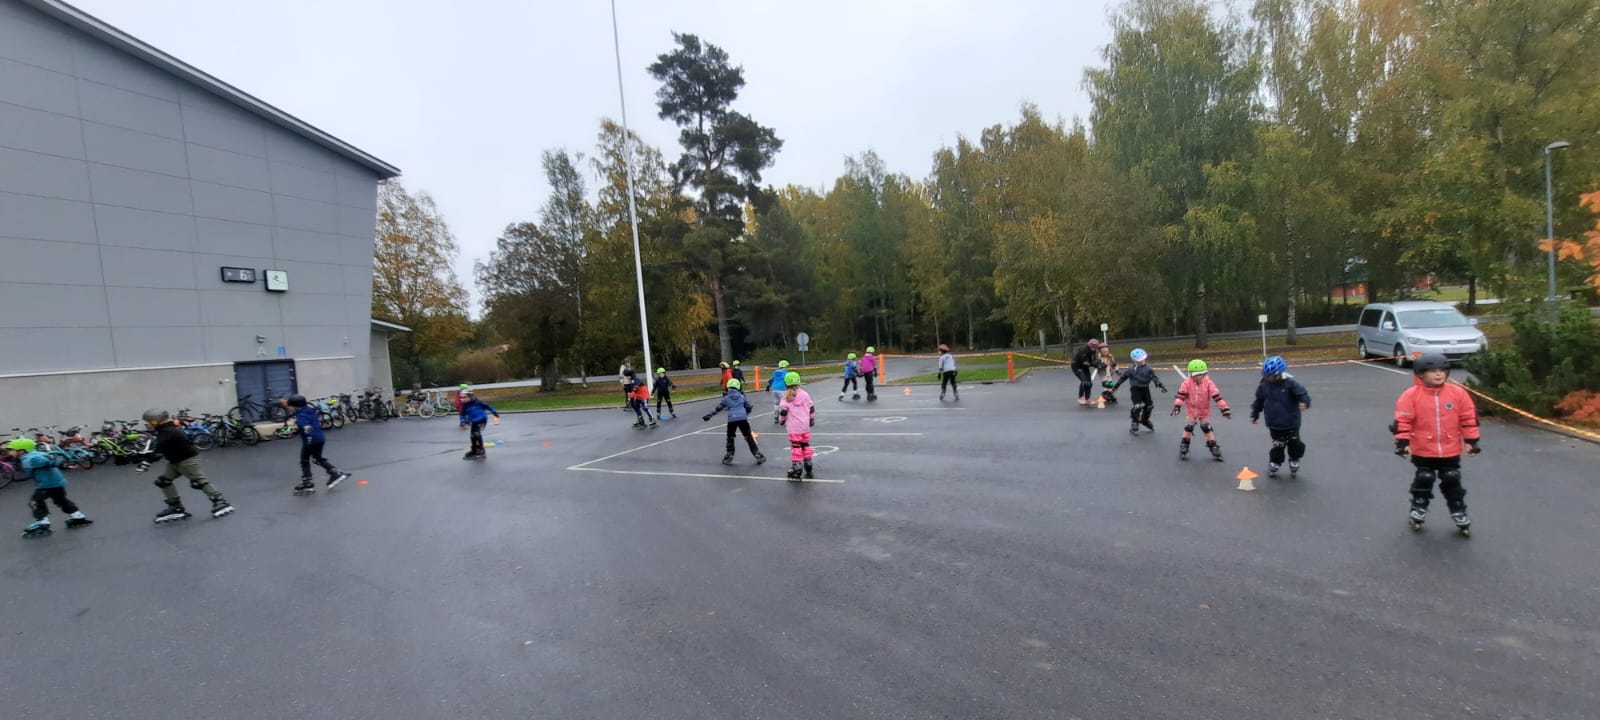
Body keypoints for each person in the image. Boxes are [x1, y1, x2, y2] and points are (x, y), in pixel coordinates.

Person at [1394, 353, 1480, 534]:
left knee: (1451, 477)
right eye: (1432, 371)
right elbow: (1403, 421)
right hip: (1423, 448)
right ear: (1421, 374)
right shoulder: (1411, 395)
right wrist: (1403, 443)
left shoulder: (1457, 393)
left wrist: (1471, 441)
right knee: (1425, 478)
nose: (1438, 374)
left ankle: (1458, 510)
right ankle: (1418, 507)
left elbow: (1468, 418)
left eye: (1442, 370)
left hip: (1450, 448)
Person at [138, 408, 233, 522]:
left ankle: (220, 501)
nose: (147, 425)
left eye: (149, 422)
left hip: (188, 460)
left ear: (156, 421)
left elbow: (158, 451)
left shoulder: (168, 432)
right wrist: (146, 461)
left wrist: (146, 464)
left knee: (198, 481)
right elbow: (158, 448)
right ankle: (176, 507)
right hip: (176, 461)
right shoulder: (165, 430)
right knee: (163, 481)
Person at [9, 438, 91, 538]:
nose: (9, 452)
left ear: (21, 451)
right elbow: (49, 459)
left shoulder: (31, 458)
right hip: (57, 481)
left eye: (11, 450)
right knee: (60, 499)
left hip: (47, 484)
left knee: (35, 501)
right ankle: (77, 516)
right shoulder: (36, 454)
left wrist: (62, 465)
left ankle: (42, 522)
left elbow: (48, 462)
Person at [1249, 355, 1311, 477]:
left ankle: (1294, 458)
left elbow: (1302, 394)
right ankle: (1275, 462)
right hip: (1274, 423)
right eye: (1266, 375)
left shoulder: (1290, 384)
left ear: (1279, 375)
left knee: (1294, 442)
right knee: (1278, 445)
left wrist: (1305, 402)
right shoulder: (1263, 385)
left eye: (1270, 376)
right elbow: (1259, 401)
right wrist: (1255, 414)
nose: (1267, 378)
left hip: (1292, 421)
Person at [286, 394, 351, 495]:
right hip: (320, 438)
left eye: (290, 406)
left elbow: (306, 425)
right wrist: (297, 430)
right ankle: (334, 472)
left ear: (296, 406)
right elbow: (312, 423)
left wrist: (305, 429)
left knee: (304, 460)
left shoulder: (301, 415)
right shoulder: (309, 410)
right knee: (317, 458)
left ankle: (307, 482)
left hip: (310, 440)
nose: (289, 408)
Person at [1171, 359, 1231, 461]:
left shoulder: (1208, 383)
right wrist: (1177, 407)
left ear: (1204, 374)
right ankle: (1184, 444)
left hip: (1204, 411)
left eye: (1200, 375)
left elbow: (1217, 396)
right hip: (1191, 410)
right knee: (1189, 427)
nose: (1198, 377)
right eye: (1195, 375)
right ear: (1191, 374)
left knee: (1206, 427)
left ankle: (1213, 446)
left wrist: (1224, 409)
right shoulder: (1187, 383)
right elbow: (1181, 396)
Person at [702, 378, 765, 465]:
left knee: (730, 437)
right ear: (738, 387)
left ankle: (729, 455)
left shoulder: (726, 398)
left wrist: (709, 415)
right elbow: (748, 407)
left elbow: (718, 408)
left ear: (728, 387)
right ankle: (757, 454)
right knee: (748, 437)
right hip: (743, 419)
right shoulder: (741, 396)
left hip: (732, 419)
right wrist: (746, 412)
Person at [1112, 348, 1167, 435]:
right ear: (1134, 361)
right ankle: (1135, 421)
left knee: (1149, 406)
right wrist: (1116, 387)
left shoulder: (1148, 369)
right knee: (1137, 406)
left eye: (1142, 360)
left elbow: (1154, 378)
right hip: (1135, 389)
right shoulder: (1131, 370)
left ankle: (1145, 420)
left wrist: (1160, 386)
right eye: (1139, 361)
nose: (1141, 362)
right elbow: (1123, 378)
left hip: (1145, 388)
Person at [778, 371, 816, 481]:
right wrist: (811, 419)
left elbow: (783, 412)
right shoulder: (805, 394)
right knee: (805, 445)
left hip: (794, 427)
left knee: (796, 447)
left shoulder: (786, 397)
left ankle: (797, 468)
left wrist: (782, 420)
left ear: (786, 383)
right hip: (805, 426)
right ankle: (808, 465)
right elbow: (811, 408)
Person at [458, 389, 501, 459]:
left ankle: (481, 450)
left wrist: (495, 413)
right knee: (472, 436)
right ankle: (474, 450)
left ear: (470, 396)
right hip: (474, 421)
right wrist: (463, 421)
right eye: (461, 398)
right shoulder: (465, 405)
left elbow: (488, 407)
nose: (462, 399)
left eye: (464, 397)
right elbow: (462, 414)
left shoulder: (478, 402)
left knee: (477, 434)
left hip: (482, 420)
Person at [1072, 340, 1101, 406]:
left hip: (1084, 367)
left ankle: (1087, 399)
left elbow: (1092, 360)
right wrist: (1094, 364)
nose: (1094, 349)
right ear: (1089, 346)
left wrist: (1097, 363)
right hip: (1077, 366)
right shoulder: (1083, 351)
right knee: (1084, 381)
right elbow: (1085, 362)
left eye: (1096, 348)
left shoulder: (1093, 351)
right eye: (1093, 348)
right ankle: (1080, 398)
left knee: (1089, 383)